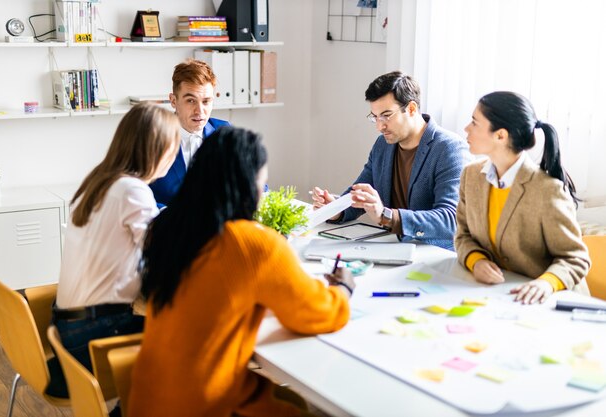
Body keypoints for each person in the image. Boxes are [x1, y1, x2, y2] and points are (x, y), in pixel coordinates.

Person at [129, 126, 354, 417]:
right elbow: (318, 313)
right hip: (207, 406)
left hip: (149, 402)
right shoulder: (251, 243)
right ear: (247, 186)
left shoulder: (173, 230)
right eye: (263, 184)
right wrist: (342, 289)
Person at [51, 103, 180, 396]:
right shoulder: (132, 190)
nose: (173, 158)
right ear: (155, 148)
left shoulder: (100, 179)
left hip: (69, 326)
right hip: (94, 334)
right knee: (189, 346)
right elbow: (164, 250)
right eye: (172, 149)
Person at [456, 91, 590, 304]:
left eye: (474, 122)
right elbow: (463, 236)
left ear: (500, 135)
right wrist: (476, 261)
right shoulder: (471, 176)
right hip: (498, 296)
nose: (466, 128)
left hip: (550, 302)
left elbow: (576, 259)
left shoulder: (547, 190)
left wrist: (546, 283)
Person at [312, 71, 470, 250]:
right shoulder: (384, 144)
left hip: (435, 255)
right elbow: (361, 194)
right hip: (393, 247)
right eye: (375, 117)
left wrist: (387, 216)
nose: (380, 126)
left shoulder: (449, 148)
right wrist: (336, 208)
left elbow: (451, 220)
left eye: (386, 115)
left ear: (411, 108)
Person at [149, 59, 230, 206]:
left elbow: (256, 186)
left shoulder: (225, 134)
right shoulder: (151, 138)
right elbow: (134, 194)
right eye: (191, 101)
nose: (199, 111)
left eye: (206, 102)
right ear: (173, 100)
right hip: (167, 226)